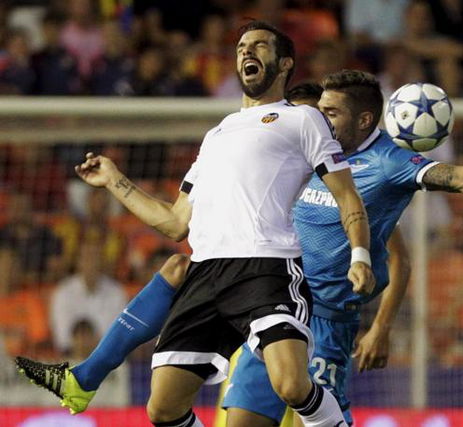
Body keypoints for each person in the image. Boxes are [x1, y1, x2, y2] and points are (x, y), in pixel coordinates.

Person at [17, 21, 374, 427]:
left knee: (292, 385)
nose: (247, 51)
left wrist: (359, 254)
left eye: (259, 45)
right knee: (162, 410)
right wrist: (113, 179)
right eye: (241, 46)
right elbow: (173, 222)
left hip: (265, 267)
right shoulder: (216, 135)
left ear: (285, 62)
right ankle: (82, 381)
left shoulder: (302, 120)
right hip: (206, 273)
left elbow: (347, 195)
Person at [221, 70, 463, 427]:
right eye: (321, 110)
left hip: (326, 323)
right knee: (241, 421)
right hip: (275, 307)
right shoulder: (310, 148)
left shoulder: (386, 163)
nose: (320, 119)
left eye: (331, 113)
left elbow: (459, 178)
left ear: (364, 120)